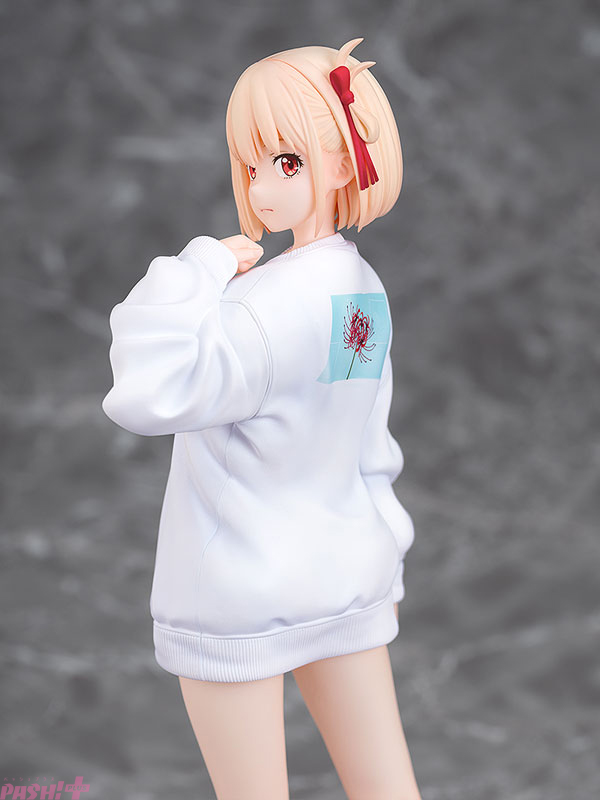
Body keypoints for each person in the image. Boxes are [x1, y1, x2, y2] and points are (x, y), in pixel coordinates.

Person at [102, 37, 421, 800]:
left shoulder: (260, 307)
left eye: (286, 161)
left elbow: (149, 391)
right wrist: (385, 538)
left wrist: (194, 271)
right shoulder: (361, 290)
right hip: (346, 569)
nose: (264, 186)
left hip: (239, 591)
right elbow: (365, 437)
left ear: (343, 163)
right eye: (251, 166)